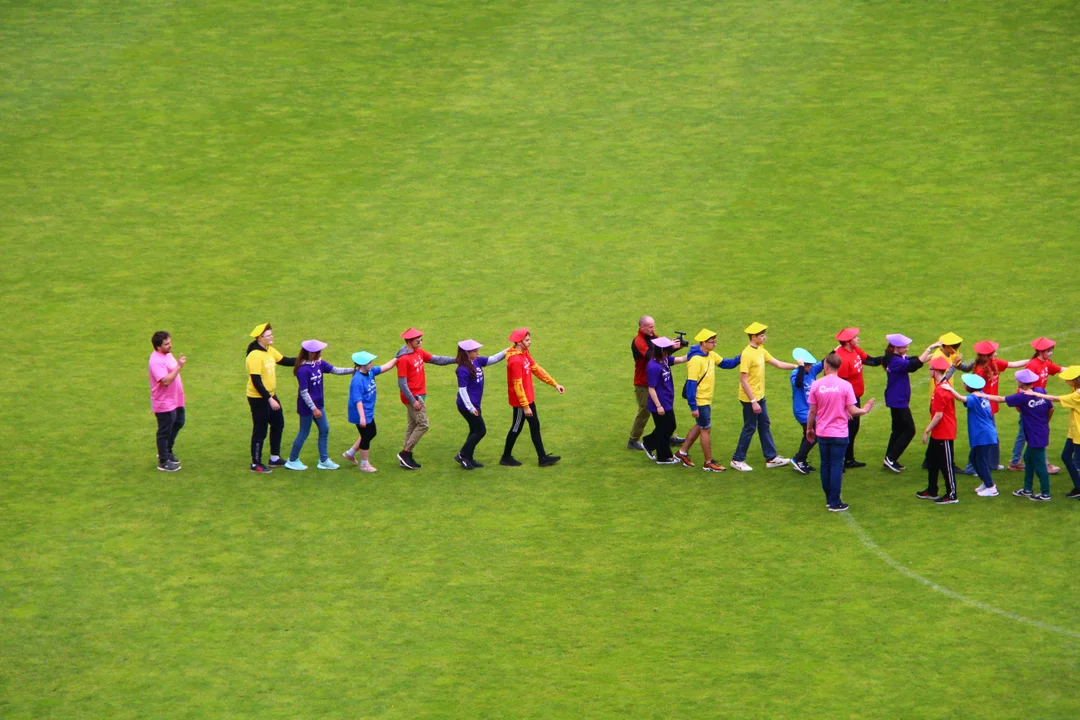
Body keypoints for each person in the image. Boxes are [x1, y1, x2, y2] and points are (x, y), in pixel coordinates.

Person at [805, 353, 876, 511]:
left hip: (823, 432)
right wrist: (864, 410)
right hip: (839, 433)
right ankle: (835, 502)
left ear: (826, 367)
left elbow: (812, 411)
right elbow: (852, 409)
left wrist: (810, 428)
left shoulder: (817, 384)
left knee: (825, 465)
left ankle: (829, 499)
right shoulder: (845, 386)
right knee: (836, 466)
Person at [730, 322, 799, 472]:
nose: (764, 337)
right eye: (761, 335)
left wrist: (796, 366)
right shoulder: (747, 354)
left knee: (764, 424)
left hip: (760, 396)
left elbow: (778, 364)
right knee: (749, 427)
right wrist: (754, 401)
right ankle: (737, 459)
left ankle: (771, 458)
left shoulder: (760, 350)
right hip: (750, 398)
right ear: (753, 337)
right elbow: (743, 380)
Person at [675, 329, 741, 471]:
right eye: (712, 342)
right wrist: (693, 407)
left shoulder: (710, 354)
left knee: (700, 426)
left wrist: (743, 357)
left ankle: (682, 452)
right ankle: (708, 462)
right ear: (703, 343)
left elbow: (726, 364)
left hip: (705, 399)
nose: (715, 345)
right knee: (706, 429)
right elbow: (691, 385)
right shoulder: (696, 360)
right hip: (700, 400)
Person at [284, 340, 352, 471]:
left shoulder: (318, 363)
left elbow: (336, 370)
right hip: (307, 408)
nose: (320, 354)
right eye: (318, 352)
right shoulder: (303, 370)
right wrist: (313, 408)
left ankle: (323, 460)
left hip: (318, 405)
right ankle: (292, 460)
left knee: (324, 429)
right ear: (310, 353)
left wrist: (353, 370)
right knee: (304, 432)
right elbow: (304, 392)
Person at [963, 340, 1028, 474]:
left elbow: (1013, 364)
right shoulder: (980, 371)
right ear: (988, 355)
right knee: (983, 437)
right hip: (983, 408)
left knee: (992, 436)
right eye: (994, 352)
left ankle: (993, 463)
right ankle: (972, 467)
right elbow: (974, 391)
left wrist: (1031, 361)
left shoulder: (995, 363)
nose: (997, 353)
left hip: (990, 406)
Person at [502, 328, 565, 467]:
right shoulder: (515, 360)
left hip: (528, 399)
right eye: (527, 340)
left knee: (535, 426)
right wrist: (525, 406)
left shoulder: (524, 354)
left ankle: (542, 458)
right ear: (519, 342)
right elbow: (517, 385)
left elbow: (536, 369)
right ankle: (506, 457)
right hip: (521, 403)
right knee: (516, 428)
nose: (530, 342)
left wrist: (554, 384)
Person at [395, 328, 455, 470]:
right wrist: (413, 400)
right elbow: (402, 383)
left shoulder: (418, 352)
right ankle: (405, 453)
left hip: (419, 395)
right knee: (423, 424)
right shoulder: (403, 359)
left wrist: (456, 360)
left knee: (412, 425)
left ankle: (405, 458)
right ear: (409, 341)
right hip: (413, 397)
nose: (420, 342)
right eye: (418, 341)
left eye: (421, 340)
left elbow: (436, 359)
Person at [942, 374, 1009, 497]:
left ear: (969, 387)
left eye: (964, 384)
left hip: (982, 434)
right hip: (986, 433)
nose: (963, 385)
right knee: (974, 459)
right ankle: (986, 481)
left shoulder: (973, 397)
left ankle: (991, 487)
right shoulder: (982, 395)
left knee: (980, 460)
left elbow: (961, 399)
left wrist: (951, 389)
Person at [881, 334, 939, 473]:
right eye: (904, 346)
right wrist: (929, 348)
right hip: (898, 400)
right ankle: (891, 458)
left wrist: (937, 355)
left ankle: (889, 458)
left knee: (898, 430)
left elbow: (915, 360)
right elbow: (913, 365)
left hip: (897, 398)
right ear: (896, 347)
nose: (907, 348)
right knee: (909, 430)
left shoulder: (897, 358)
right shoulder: (895, 361)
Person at [246, 323, 296, 473]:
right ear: (260, 338)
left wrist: (304, 358)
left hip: (270, 395)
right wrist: (269, 399)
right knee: (260, 430)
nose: (272, 337)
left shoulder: (269, 350)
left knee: (278, 423)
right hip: (259, 398)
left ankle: (274, 457)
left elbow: (285, 360)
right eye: (268, 336)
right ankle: (255, 463)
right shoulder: (254, 355)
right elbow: (256, 381)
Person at [1009, 337, 1064, 474]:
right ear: (1042, 351)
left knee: (1024, 433)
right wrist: (1022, 404)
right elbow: (1022, 385)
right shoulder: (1033, 365)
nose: (1051, 352)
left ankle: (1016, 461)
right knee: (1037, 432)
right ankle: (1043, 463)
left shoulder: (1046, 363)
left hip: (1037, 403)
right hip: (1030, 404)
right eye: (1049, 350)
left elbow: (1061, 369)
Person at [629, 316, 684, 450]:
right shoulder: (639, 341)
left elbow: (662, 353)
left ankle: (668, 436)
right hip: (643, 382)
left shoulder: (653, 337)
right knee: (645, 410)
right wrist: (671, 346)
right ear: (642, 327)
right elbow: (651, 355)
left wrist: (675, 346)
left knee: (664, 408)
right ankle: (633, 439)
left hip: (655, 380)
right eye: (650, 327)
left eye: (653, 326)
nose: (653, 329)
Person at [832, 328, 884, 469]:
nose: (858, 339)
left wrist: (891, 356)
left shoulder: (855, 351)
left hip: (855, 398)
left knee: (853, 429)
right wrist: (846, 407)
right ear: (848, 342)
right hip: (846, 401)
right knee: (844, 431)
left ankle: (849, 459)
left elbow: (872, 361)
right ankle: (840, 462)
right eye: (856, 337)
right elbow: (840, 385)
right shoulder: (841, 358)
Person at [454, 339, 508, 470]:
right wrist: (471, 408)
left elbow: (493, 359)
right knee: (481, 430)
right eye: (475, 351)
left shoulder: (477, 361)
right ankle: (462, 454)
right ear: (467, 353)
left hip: (475, 404)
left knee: (474, 430)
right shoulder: (462, 370)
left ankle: (469, 457)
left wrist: (509, 349)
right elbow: (463, 390)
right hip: (467, 406)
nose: (478, 353)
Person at [1028, 366, 1080, 499]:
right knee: (1066, 456)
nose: (1065, 381)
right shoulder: (1076, 390)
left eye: (1068, 379)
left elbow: (1057, 399)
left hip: (1079, 433)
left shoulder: (1077, 395)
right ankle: (1078, 486)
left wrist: (1037, 394)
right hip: (1074, 432)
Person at [343, 351, 399, 472]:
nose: (372, 364)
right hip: (360, 412)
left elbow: (385, 367)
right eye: (369, 362)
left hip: (367, 410)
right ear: (362, 365)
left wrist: (398, 357)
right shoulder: (357, 380)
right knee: (367, 435)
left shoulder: (370, 372)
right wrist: (362, 418)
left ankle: (350, 453)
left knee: (371, 433)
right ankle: (364, 464)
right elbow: (358, 401)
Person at [1006, 368, 1055, 501]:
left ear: (1021, 382)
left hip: (1035, 436)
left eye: (1017, 379)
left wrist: (984, 396)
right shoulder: (1040, 391)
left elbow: (1000, 399)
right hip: (1039, 432)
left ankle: (1045, 493)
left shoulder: (1022, 397)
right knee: (1028, 458)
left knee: (1039, 464)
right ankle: (1027, 489)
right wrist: (1044, 422)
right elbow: (1051, 408)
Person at [919, 356, 960, 504]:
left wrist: (926, 430)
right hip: (940, 432)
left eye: (930, 369)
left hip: (944, 432)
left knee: (946, 465)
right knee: (931, 459)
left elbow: (938, 415)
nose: (928, 371)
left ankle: (952, 494)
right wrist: (953, 367)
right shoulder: (943, 383)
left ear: (935, 371)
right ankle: (932, 490)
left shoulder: (940, 391)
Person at [643, 337, 689, 464]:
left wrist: (694, 353)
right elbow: (651, 388)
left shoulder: (664, 361)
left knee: (669, 426)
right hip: (659, 404)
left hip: (667, 401)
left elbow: (681, 359)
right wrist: (658, 406)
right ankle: (663, 457)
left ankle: (648, 442)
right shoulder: (653, 367)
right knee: (664, 430)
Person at [148, 331, 186, 472]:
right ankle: (163, 461)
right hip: (164, 402)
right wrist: (179, 366)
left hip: (175, 399)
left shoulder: (167, 354)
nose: (170, 346)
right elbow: (166, 381)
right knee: (164, 430)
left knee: (179, 422)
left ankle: (167, 451)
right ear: (158, 347)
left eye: (170, 342)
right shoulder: (156, 361)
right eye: (167, 344)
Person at [789, 348, 824, 476]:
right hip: (802, 411)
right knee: (814, 434)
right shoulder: (795, 373)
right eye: (807, 365)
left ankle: (801, 461)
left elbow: (825, 361)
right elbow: (798, 384)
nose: (810, 367)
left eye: (810, 365)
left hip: (811, 411)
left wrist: (839, 347)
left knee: (807, 435)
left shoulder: (813, 370)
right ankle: (798, 459)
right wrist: (801, 368)